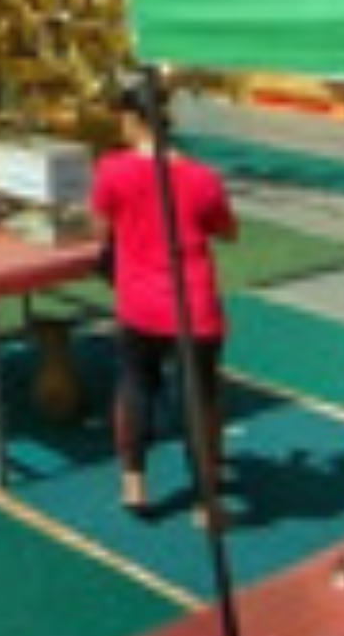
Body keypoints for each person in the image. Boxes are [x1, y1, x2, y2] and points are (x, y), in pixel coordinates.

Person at [92, 87, 240, 515]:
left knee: (136, 384)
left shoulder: (112, 171)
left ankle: (134, 482)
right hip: (192, 305)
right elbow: (227, 229)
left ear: (134, 122)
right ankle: (206, 499)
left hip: (138, 302)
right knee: (200, 398)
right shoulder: (201, 178)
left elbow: (101, 226)